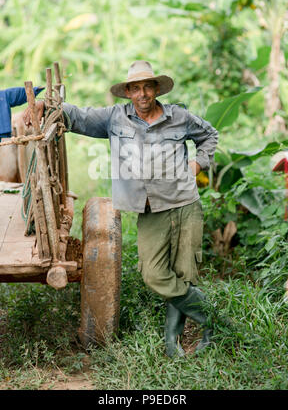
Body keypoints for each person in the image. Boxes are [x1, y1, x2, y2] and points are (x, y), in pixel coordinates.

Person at [25, 61, 218, 358]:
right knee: (154, 274)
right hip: (149, 210)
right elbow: (79, 116)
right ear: (128, 92)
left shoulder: (178, 116)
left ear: (156, 89)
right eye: (136, 88)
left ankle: (172, 345)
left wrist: (197, 164)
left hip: (184, 204)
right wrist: (41, 105)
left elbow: (210, 135)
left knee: (184, 274)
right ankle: (212, 319)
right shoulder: (115, 118)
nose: (142, 94)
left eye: (148, 87)